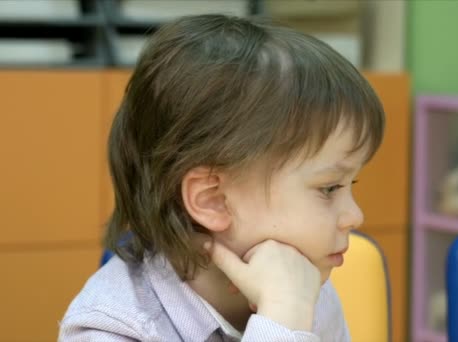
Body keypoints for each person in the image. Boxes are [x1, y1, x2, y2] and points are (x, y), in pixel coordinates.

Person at [60, 13, 384, 342]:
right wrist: (282, 321)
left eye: (349, 185)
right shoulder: (111, 329)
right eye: (329, 188)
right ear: (212, 199)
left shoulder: (304, 286)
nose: (355, 216)